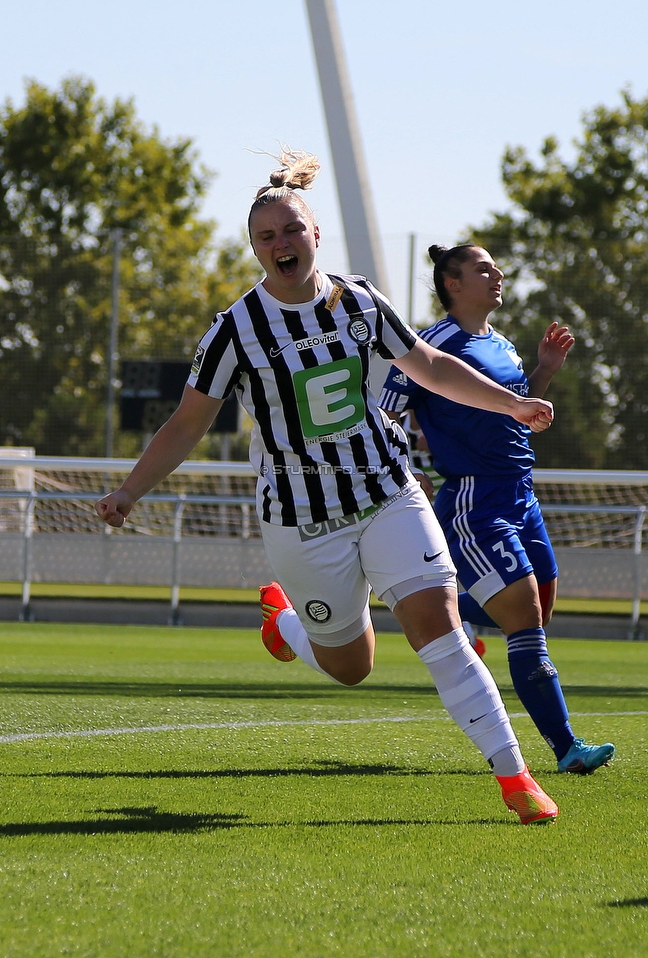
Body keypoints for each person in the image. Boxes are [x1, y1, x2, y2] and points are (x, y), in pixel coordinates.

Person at [96, 151, 560, 824]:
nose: (281, 244)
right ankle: (286, 622)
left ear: (315, 235)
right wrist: (130, 491)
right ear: (255, 249)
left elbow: (429, 366)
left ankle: (515, 777)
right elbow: (187, 422)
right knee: (352, 666)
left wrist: (510, 404)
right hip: (302, 520)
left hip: (387, 492)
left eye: (292, 231)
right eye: (267, 236)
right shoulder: (235, 330)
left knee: (441, 630)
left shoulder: (360, 301)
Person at [378, 242, 615, 775]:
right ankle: (566, 748)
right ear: (452, 284)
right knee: (526, 619)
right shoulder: (431, 345)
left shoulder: (502, 346)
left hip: (521, 495)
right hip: (473, 499)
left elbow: (514, 407)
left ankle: (447, 612)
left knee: (537, 612)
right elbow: (384, 413)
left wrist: (544, 372)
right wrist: (405, 466)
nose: (497, 274)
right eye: (483, 268)